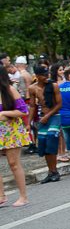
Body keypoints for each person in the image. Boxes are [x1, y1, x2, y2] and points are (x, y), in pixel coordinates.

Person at [0, 65, 30, 207]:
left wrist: (4, 113)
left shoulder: (9, 90)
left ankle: (23, 196)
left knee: (13, 163)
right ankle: (1, 195)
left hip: (11, 130)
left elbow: (23, 110)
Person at [28, 65, 62, 183]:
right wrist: (28, 122)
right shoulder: (32, 88)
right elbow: (32, 106)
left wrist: (48, 116)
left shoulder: (54, 86)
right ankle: (51, 171)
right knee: (43, 143)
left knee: (51, 138)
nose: (46, 77)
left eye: (47, 74)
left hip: (54, 116)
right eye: (43, 75)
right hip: (42, 117)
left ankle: (55, 171)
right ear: (37, 76)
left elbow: (59, 104)